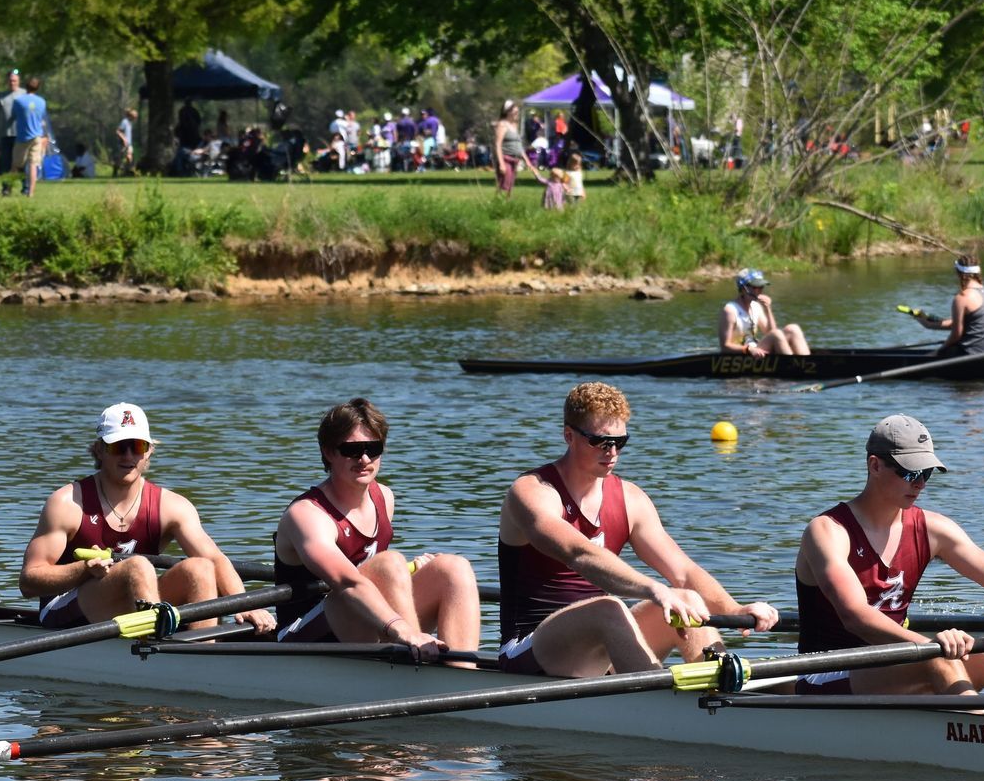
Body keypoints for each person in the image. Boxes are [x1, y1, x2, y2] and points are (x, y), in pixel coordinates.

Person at [793, 414, 984, 697]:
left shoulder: (933, 528)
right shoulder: (828, 531)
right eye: (910, 472)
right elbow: (854, 616)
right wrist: (930, 646)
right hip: (825, 670)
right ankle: (979, 738)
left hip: (895, 662)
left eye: (927, 473)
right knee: (939, 659)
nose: (920, 484)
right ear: (875, 465)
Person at [496, 382, 779, 678]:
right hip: (528, 649)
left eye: (621, 442)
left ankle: (720, 697)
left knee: (688, 598)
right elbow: (577, 552)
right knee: (610, 608)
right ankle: (655, 707)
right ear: (569, 435)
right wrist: (653, 588)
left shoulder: (630, 499)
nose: (613, 452)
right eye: (602, 442)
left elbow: (681, 570)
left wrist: (734, 610)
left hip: (598, 645)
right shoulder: (532, 491)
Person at [19, 403, 274, 635]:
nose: (128, 456)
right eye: (119, 446)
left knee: (201, 568)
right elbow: (29, 581)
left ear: (149, 451)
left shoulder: (172, 506)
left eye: (137, 446)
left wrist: (244, 604)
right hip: (65, 609)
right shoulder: (67, 503)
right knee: (137, 566)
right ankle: (154, 649)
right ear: (100, 449)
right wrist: (84, 570)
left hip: (135, 606)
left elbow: (215, 558)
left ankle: (200, 653)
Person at [272, 398, 480, 662]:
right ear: (328, 452)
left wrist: (410, 575)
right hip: (303, 638)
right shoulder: (307, 514)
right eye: (352, 450)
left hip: (368, 623)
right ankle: (415, 659)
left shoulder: (384, 497)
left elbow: (374, 573)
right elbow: (348, 581)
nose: (365, 458)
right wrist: (404, 628)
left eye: (373, 448)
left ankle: (461, 671)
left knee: (452, 568)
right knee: (390, 562)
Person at [912, 257, 984, 359]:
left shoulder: (962, 298)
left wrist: (938, 351)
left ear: (959, 273)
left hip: (970, 355)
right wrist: (928, 324)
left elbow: (956, 335)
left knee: (931, 355)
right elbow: (969, 324)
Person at [720, 269, 810, 357]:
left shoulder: (756, 307)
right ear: (744, 288)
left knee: (793, 329)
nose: (759, 291)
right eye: (755, 287)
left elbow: (770, 332)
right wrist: (749, 349)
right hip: (742, 354)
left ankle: (808, 364)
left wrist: (768, 309)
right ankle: (792, 366)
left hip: (757, 350)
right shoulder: (730, 311)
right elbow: (725, 347)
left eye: (761, 287)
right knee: (776, 334)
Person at [493, 99, 542, 198]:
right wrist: (501, 163)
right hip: (506, 158)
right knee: (504, 186)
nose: (517, 114)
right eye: (515, 112)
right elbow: (497, 144)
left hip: (515, 160)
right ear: (507, 112)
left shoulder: (514, 126)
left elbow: (519, 146)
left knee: (509, 187)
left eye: (517, 112)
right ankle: (498, 206)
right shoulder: (502, 125)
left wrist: (528, 163)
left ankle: (506, 206)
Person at [11, 75, 49, 197]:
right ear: (37, 88)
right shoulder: (42, 102)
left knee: (16, 165)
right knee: (33, 165)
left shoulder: (18, 101)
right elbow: (41, 117)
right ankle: (30, 193)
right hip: (37, 136)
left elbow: (14, 115)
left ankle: (8, 189)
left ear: (25, 86)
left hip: (23, 137)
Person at [0, 68, 20, 177]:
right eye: (10, 80)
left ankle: (25, 188)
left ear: (18, 81)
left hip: (21, 134)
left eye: (14, 80)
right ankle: (6, 188)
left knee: (21, 162)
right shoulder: (2, 95)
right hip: (6, 135)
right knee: (6, 162)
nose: (12, 83)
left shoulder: (24, 94)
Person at [115, 107, 137, 175]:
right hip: (122, 144)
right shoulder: (124, 122)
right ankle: (115, 171)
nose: (135, 118)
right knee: (120, 159)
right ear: (131, 116)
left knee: (129, 156)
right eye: (135, 117)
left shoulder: (130, 123)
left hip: (129, 144)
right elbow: (118, 131)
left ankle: (129, 171)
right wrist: (124, 139)